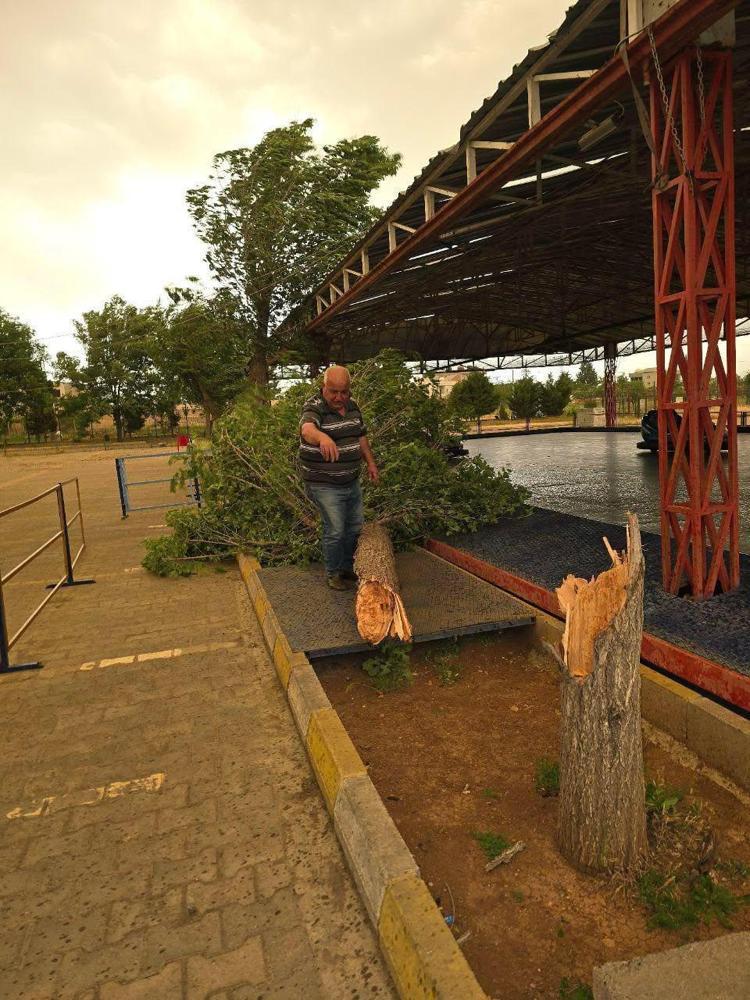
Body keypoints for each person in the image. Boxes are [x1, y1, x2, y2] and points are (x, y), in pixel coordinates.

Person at [299, 365, 379, 590]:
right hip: (324, 483)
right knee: (335, 529)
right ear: (324, 387)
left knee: (354, 526)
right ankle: (333, 574)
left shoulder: (353, 407)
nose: (339, 397)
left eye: (344, 392)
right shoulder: (314, 406)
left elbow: (361, 438)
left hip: (351, 481)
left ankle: (346, 568)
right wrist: (322, 438)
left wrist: (370, 463)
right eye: (333, 391)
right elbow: (307, 430)